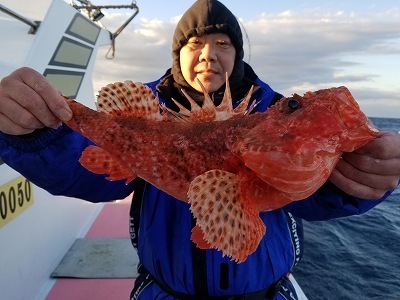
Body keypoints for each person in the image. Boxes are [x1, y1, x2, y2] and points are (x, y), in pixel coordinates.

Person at [0, 0, 399, 299]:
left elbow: (307, 198)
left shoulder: (271, 114)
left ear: (237, 55)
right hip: (162, 289)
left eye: (222, 42)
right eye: (194, 44)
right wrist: (31, 134)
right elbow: (87, 172)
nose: (208, 54)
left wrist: (354, 182)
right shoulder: (148, 112)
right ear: (178, 56)